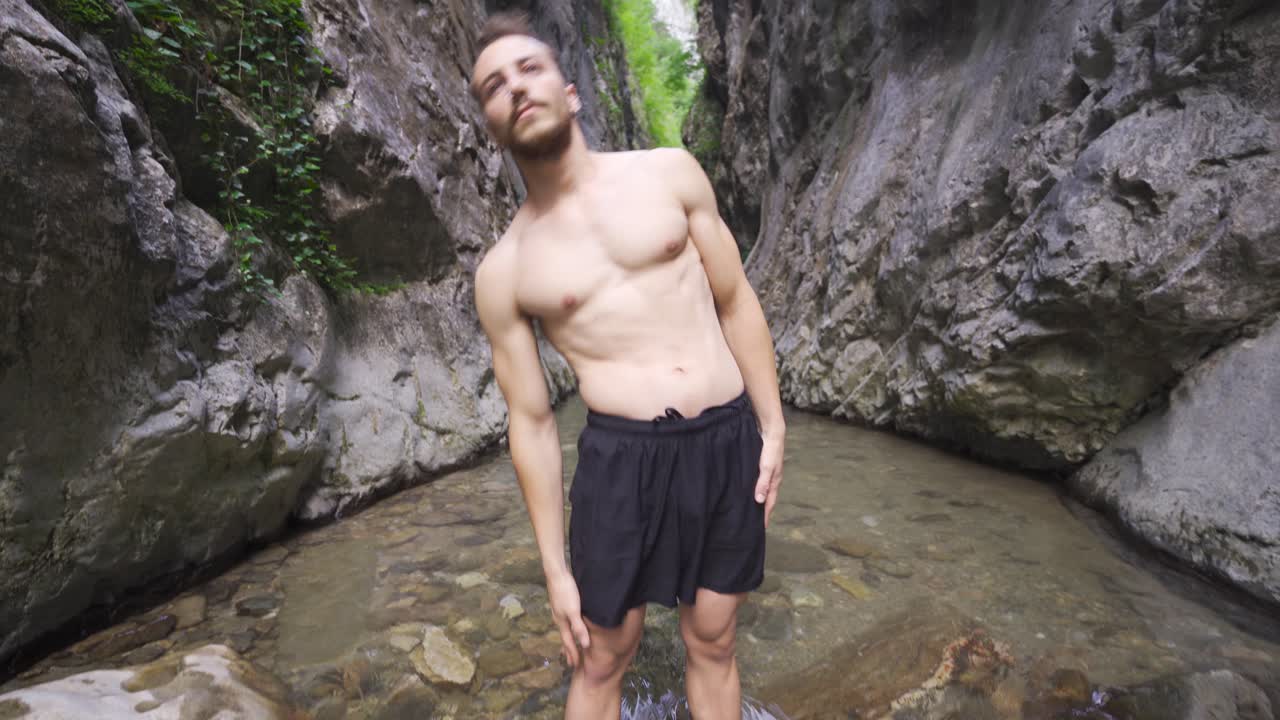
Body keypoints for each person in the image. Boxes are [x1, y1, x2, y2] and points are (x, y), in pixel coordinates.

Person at [470, 11, 785, 720]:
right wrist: (554, 571)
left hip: (726, 439)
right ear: (490, 126)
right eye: (494, 86)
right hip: (620, 462)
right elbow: (532, 423)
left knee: (713, 637)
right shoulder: (505, 272)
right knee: (602, 652)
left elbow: (735, 300)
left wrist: (773, 425)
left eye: (529, 69)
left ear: (570, 91)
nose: (515, 88)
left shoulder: (670, 173)